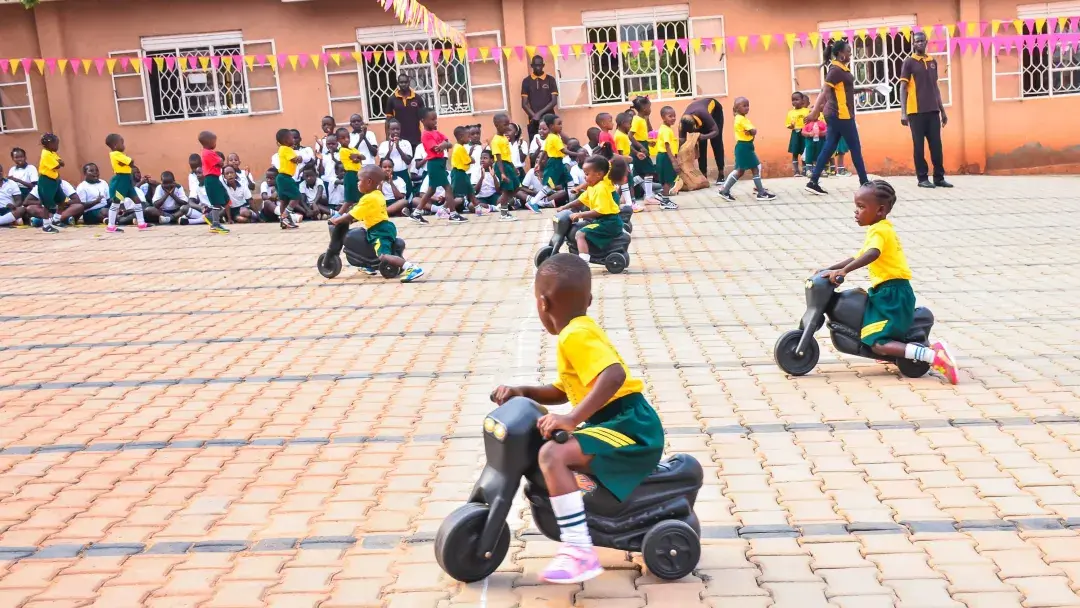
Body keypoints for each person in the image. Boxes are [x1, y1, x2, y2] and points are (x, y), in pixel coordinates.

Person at [490, 253, 663, 583]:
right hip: (618, 421)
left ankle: (578, 550)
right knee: (552, 446)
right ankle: (588, 517)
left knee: (553, 453)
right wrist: (522, 391)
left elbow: (612, 375)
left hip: (630, 428)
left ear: (542, 303)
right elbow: (567, 388)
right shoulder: (579, 328)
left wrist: (571, 420)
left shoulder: (574, 335)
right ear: (590, 299)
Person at [820, 179, 959, 384]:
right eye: (856, 206)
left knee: (877, 342)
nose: (856, 211)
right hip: (887, 291)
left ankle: (933, 355)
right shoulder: (878, 228)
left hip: (893, 293)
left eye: (861, 207)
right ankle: (895, 352)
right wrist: (831, 268)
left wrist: (845, 271)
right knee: (873, 330)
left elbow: (872, 254)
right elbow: (859, 255)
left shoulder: (880, 231)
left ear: (880, 210)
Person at [328, 164, 425, 282]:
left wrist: (336, 220)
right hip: (384, 227)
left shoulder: (367, 199)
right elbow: (365, 212)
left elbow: (350, 215)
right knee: (369, 244)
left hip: (379, 231)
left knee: (382, 255)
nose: (357, 183)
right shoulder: (377, 194)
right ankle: (367, 265)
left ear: (369, 182)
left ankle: (411, 268)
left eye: (359, 180)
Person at [805, 39, 874, 195]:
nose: (850, 54)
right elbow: (825, 91)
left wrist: (862, 89)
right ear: (841, 54)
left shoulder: (841, 69)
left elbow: (844, 90)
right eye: (848, 51)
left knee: (829, 146)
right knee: (855, 147)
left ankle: (813, 181)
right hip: (840, 115)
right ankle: (864, 181)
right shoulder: (835, 70)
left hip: (837, 115)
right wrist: (815, 111)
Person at [900, 32, 952, 189]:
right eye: (917, 41)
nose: (920, 43)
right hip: (915, 112)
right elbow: (903, 87)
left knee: (936, 145)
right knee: (919, 146)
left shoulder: (932, 62)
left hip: (933, 111)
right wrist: (903, 112)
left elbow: (935, 87)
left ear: (926, 42)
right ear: (913, 44)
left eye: (922, 41)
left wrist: (942, 111)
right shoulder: (909, 62)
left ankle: (939, 177)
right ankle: (922, 178)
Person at [558, 155, 628, 262]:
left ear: (599, 174)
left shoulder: (601, 188)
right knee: (582, 227)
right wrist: (565, 207)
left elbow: (599, 211)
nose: (585, 178)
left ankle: (583, 262)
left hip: (609, 222)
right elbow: (580, 200)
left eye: (587, 174)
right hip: (603, 220)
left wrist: (580, 214)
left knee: (580, 234)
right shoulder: (593, 186)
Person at [717, 97, 776, 202]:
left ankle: (725, 190)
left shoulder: (741, 118)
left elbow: (751, 132)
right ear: (737, 108)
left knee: (741, 171)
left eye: (747, 105)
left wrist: (752, 132)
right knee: (753, 169)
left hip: (745, 146)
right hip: (744, 147)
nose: (747, 108)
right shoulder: (740, 119)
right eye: (744, 106)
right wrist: (753, 131)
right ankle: (761, 193)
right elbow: (753, 131)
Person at [414, 108, 454, 224]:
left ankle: (416, 213)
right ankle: (453, 214)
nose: (435, 122)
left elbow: (449, 143)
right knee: (448, 188)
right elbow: (437, 148)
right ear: (423, 121)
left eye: (435, 119)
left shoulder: (436, 132)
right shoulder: (425, 135)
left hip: (439, 162)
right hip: (434, 163)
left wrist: (445, 144)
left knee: (431, 190)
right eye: (432, 119)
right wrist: (444, 144)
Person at [679, 97, 725, 183]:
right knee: (701, 146)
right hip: (697, 119)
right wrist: (681, 156)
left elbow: (716, 131)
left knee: (716, 141)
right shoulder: (682, 124)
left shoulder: (704, 114)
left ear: (695, 125)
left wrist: (703, 136)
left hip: (715, 112)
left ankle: (721, 173)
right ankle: (704, 175)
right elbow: (682, 141)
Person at [196, 131, 229, 234]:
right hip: (212, 179)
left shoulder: (206, 152)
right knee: (216, 202)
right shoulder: (208, 153)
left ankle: (210, 217)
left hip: (214, 179)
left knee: (225, 199)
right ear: (209, 142)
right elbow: (221, 163)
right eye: (215, 141)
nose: (215, 143)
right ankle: (215, 224)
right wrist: (220, 160)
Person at [521, 55, 559, 142]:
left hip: (549, 119)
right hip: (534, 120)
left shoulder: (550, 79)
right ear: (532, 66)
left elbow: (553, 101)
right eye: (535, 65)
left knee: (552, 143)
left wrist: (539, 114)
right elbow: (524, 104)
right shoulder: (526, 81)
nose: (538, 67)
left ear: (543, 65)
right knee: (535, 145)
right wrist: (534, 116)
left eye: (540, 65)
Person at [490, 112, 519, 221]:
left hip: (508, 165)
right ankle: (503, 213)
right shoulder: (496, 140)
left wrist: (513, 167)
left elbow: (507, 155)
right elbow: (499, 158)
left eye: (508, 124)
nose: (507, 127)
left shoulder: (504, 138)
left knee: (517, 187)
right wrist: (502, 173)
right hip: (501, 166)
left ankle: (502, 205)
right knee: (506, 190)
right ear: (497, 125)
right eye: (505, 125)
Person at [36, 133, 67, 233]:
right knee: (47, 204)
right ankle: (46, 225)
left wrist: (60, 163)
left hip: (54, 180)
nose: (57, 146)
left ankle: (56, 220)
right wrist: (60, 163)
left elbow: (61, 162)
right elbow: (57, 165)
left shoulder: (52, 153)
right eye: (56, 144)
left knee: (62, 200)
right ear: (48, 144)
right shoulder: (45, 154)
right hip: (46, 181)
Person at [384, 75, 426, 148]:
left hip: (415, 138)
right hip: (399, 138)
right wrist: (387, 138)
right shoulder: (392, 99)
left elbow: (424, 118)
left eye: (405, 82)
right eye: (401, 82)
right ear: (398, 83)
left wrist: (428, 134)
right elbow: (388, 120)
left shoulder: (417, 98)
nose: (403, 84)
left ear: (409, 83)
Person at [628, 97, 656, 201]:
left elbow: (646, 132)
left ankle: (626, 187)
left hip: (643, 143)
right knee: (648, 170)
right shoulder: (637, 120)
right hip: (639, 146)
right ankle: (648, 196)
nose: (650, 109)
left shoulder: (642, 119)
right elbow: (630, 135)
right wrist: (641, 147)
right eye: (649, 107)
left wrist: (648, 142)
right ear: (644, 108)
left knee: (640, 172)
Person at [378, 119, 415, 199]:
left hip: (403, 173)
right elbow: (382, 161)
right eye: (393, 129)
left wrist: (398, 147)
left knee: (406, 195)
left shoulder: (406, 143)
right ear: (388, 130)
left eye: (397, 129)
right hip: (389, 174)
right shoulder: (384, 145)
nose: (395, 131)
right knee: (390, 195)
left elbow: (408, 161)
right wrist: (390, 150)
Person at [653, 106, 680, 209]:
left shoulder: (665, 128)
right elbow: (667, 146)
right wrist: (673, 161)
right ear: (663, 117)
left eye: (674, 116)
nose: (673, 118)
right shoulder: (666, 130)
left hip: (663, 156)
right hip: (666, 156)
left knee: (666, 179)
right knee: (668, 180)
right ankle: (665, 201)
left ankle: (662, 196)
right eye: (670, 116)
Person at [445, 125, 473, 222]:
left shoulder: (459, 146)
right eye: (468, 136)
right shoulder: (460, 148)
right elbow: (467, 161)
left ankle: (477, 207)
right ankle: (443, 209)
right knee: (453, 192)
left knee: (470, 189)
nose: (469, 138)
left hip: (462, 172)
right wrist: (471, 159)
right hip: (458, 172)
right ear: (461, 137)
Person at [275, 129, 301, 229]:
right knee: (296, 196)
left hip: (281, 177)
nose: (294, 139)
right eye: (292, 138)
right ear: (286, 140)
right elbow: (295, 159)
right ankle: (285, 215)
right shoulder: (286, 149)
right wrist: (299, 157)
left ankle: (283, 221)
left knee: (284, 200)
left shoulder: (283, 149)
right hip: (286, 177)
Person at [785, 92, 811, 176]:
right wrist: (791, 126)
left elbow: (811, 121)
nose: (794, 102)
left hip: (805, 133)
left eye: (797, 99)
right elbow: (788, 125)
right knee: (795, 152)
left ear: (802, 101)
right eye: (793, 100)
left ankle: (804, 170)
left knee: (805, 152)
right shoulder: (790, 113)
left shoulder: (807, 111)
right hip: (795, 133)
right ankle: (796, 171)